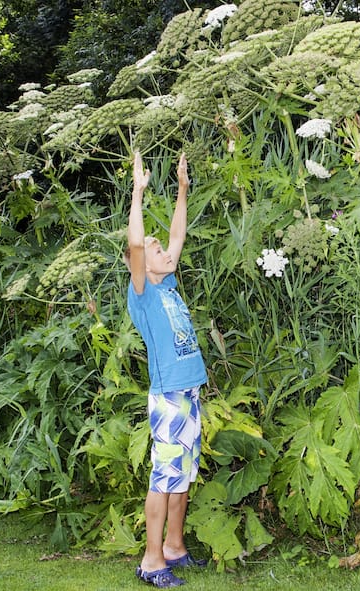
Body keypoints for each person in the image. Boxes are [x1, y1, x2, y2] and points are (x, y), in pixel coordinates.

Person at [125, 150, 209, 588]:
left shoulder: (169, 282)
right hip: (169, 399)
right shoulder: (142, 292)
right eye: (157, 251)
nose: (163, 250)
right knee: (164, 480)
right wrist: (137, 193)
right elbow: (138, 244)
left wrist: (181, 190)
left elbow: (177, 234)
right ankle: (152, 560)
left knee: (182, 478)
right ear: (141, 264)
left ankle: (174, 547)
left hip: (190, 393)